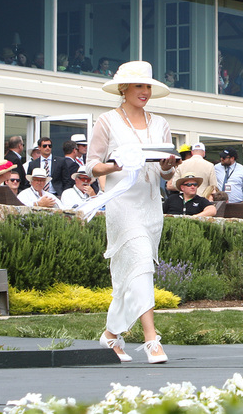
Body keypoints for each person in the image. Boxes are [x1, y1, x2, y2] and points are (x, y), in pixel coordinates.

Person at [88, 60, 178, 364]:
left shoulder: (160, 123)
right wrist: (116, 165)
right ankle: (152, 339)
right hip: (122, 204)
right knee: (141, 264)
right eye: (139, 85)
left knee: (132, 274)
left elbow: (167, 174)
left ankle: (111, 334)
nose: (145, 92)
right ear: (124, 88)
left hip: (152, 204)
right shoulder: (107, 121)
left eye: (148, 86)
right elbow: (92, 165)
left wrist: (167, 168)